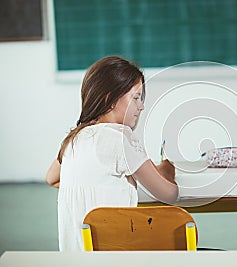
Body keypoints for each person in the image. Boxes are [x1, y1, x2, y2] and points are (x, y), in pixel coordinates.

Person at [45, 56, 178, 251]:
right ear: (110, 99)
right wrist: (167, 170)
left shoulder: (74, 138)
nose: (141, 106)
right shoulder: (121, 139)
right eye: (136, 97)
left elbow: (51, 178)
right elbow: (169, 194)